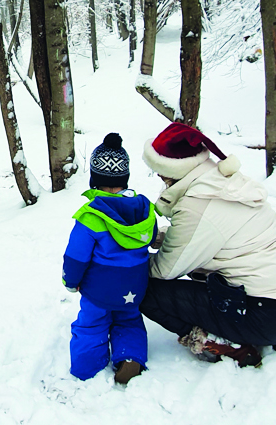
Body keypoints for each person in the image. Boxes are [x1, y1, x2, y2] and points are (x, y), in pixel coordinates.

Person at [139, 122, 276, 367]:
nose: (157, 175)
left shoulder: (198, 204)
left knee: (144, 289)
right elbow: (204, 235)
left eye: (159, 169)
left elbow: (166, 269)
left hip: (268, 314)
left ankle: (223, 345)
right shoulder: (219, 181)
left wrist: (126, 264)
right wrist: (157, 237)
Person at [62, 133, 158, 384]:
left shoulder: (91, 216)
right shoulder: (144, 211)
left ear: (95, 179)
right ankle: (130, 359)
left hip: (99, 290)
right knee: (129, 321)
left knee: (91, 324)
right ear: (124, 178)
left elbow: (76, 257)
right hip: (134, 288)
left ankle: (87, 368)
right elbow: (151, 237)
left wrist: (71, 282)